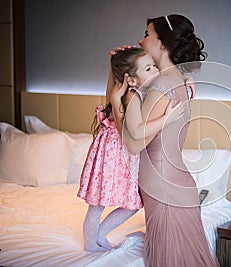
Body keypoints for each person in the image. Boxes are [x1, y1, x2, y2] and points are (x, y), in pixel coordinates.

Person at [123, 14, 219, 266]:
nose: (141, 40)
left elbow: (134, 145)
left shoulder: (160, 86)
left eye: (147, 34)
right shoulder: (177, 80)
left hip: (162, 181)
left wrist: (119, 102)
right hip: (174, 179)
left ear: (163, 44)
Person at [77, 47, 183, 252]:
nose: (156, 70)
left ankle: (97, 235)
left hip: (120, 154)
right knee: (100, 204)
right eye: (149, 68)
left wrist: (186, 79)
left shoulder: (130, 91)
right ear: (131, 80)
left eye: (154, 65)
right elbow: (135, 131)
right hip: (114, 153)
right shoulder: (131, 96)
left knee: (129, 203)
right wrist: (166, 119)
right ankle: (91, 243)